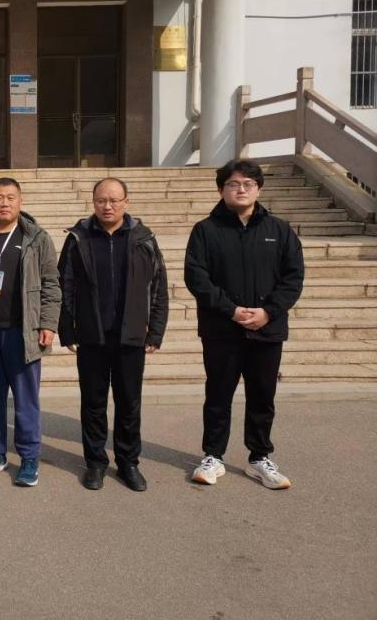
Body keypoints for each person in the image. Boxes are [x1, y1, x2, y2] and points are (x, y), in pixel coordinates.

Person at [185, 159, 305, 490]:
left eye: (248, 184)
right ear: (221, 189)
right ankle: (213, 456)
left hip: (267, 329)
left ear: (259, 189)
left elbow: (293, 277)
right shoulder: (206, 230)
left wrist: (268, 312)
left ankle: (259, 457)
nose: (241, 189)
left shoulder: (279, 230)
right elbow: (197, 277)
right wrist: (231, 310)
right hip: (222, 329)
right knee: (218, 394)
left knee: (262, 395)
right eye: (233, 184)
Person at [57, 177, 169, 492]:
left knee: (129, 403)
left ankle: (128, 462)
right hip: (92, 336)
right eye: (101, 200)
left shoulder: (143, 239)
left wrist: (155, 331)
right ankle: (95, 463)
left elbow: (158, 286)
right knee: (93, 403)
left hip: (130, 337)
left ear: (126, 202)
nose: (107, 206)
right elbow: (64, 285)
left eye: (114, 200)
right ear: (93, 202)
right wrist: (67, 328)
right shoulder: (79, 238)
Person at [0, 178, 60, 487]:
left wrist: (48, 324)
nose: (4, 203)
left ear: (20, 202)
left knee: (26, 400)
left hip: (23, 332)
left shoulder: (37, 238)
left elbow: (51, 283)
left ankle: (29, 458)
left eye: (10, 197)